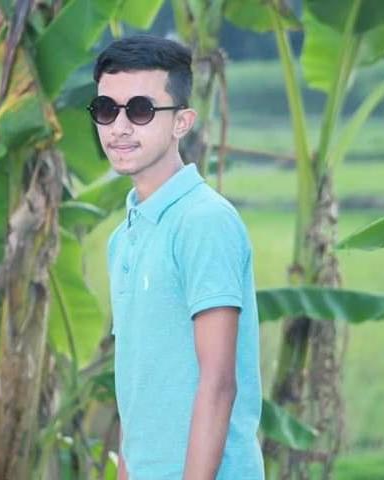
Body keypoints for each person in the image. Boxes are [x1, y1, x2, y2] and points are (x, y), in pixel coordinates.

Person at [89, 34, 264, 480]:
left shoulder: (204, 221)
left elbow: (218, 383)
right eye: (106, 110)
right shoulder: (123, 237)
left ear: (182, 122)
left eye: (140, 110)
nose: (119, 127)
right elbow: (136, 389)